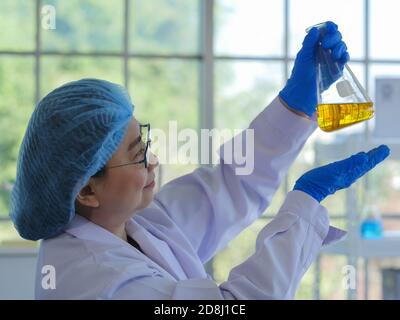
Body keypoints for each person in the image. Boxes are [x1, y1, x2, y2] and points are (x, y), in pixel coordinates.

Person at [10, 21, 389, 300]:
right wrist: (304, 202)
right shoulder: (96, 281)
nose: (152, 161)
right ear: (88, 189)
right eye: (137, 154)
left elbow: (227, 186)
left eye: (145, 143)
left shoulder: (133, 225)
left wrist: (294, 106)